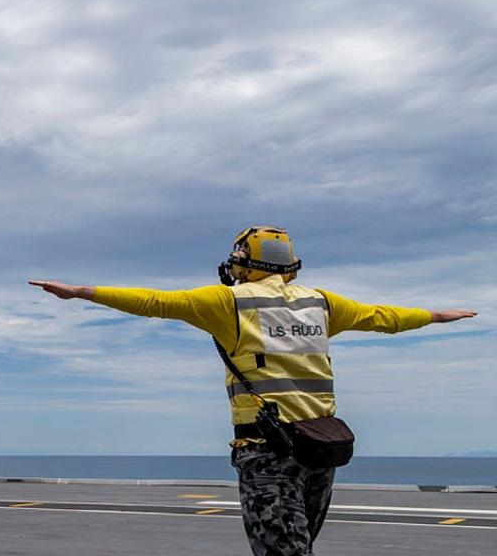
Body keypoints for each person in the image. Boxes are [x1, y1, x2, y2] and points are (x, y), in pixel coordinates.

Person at [29, 225, 476, 556]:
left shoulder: (230, 301)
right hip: (322, 448)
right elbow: (383, 317)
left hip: (267, 449)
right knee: (299, 547)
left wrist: (83, 292)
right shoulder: (320, 303)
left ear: (243, 262)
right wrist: (435, 316)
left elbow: (155, 301)